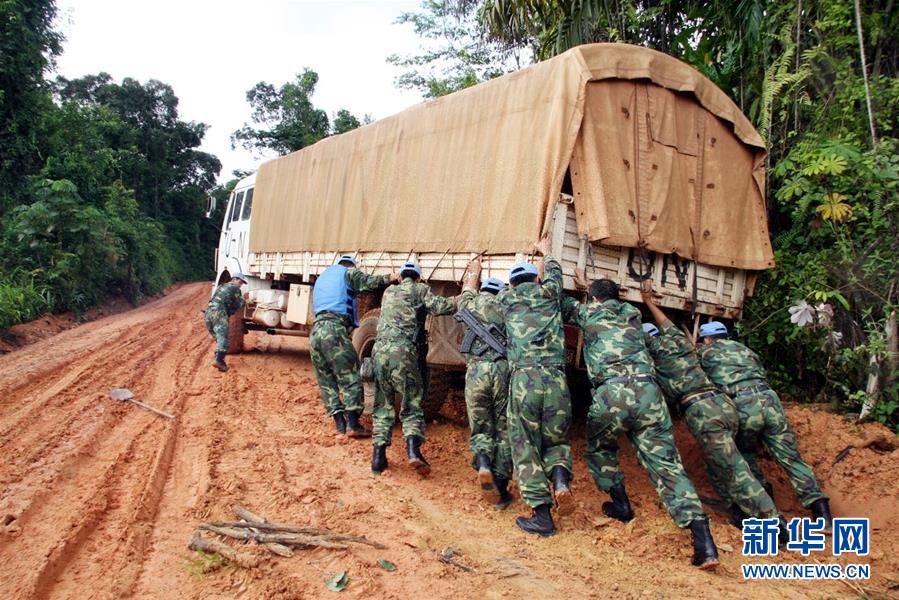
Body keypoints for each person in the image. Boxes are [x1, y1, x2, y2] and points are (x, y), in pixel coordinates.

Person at [561, 274, 719, 569]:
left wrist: (575, 285)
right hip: (649, 394)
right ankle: (704, 542)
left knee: (599, 447)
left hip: (613, 392)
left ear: (594, 299)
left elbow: (558, 300)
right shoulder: (633, 315)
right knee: (667, 466)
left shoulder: (588, 312)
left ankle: (620, 504)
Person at [640, 288, 783, 530]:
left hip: (703, 411)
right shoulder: (677, 339)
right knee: (716, 465)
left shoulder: (652, 355)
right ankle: (738, 513)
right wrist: (649, 302)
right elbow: (664, 321)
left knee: (734, 469)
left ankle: (775, 522)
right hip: (724, 405)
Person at [697, 321, 833, 529]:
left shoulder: (705, 353)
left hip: (742, 403)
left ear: (706, 339)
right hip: (770, 400)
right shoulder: (746, 350)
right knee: (790, 457)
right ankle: (821, 511)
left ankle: (765, 507)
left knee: (744, 455)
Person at [497, 237, 573, 537]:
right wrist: (546, 253)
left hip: (525, 381)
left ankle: (542, 515)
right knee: (556, 440)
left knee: (525, 443)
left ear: (512, 284)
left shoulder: (506, 300)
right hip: (556, 380)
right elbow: (556, 274)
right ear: (537, 278)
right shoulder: (550, 293)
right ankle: (561, 482)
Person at [370, 260, 457, 476]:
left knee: (383, 403)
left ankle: (378, 458)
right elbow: (441, 307)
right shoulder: (420, 289)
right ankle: (413, 452)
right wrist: (464, 298)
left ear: (400, 277)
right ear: (418, 278)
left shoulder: (389, 291)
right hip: (403, 352)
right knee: (412, 402)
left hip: (379, 351)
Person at [310, 255, 397, 437]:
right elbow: (367, 282)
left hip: (316, 332)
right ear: (351, 266)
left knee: (326, 380)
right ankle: (352, 424)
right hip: (333, 330)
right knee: (350, 376)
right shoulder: (347, 273)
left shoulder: (323, 277)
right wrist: (391, 277)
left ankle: (340, 423)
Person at [457, 264, 513, 509]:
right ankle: (500, 488)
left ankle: (482, 463)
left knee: (480, 424)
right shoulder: (509, 307)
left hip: (476, 372)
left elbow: (467, 289)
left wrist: (473, 270)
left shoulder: (470, 303)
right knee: (503, 429)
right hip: (502, 371)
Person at [204, 273, 248, 371]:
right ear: (234, 279)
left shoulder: (221, 286)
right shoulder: (235, 288)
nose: (240, 285)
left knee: (219, 338)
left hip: (208, 314)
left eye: (242, 283)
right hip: (219, 313)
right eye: (240, 282)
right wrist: (246, 300)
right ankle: (218, 360)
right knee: (224, 339)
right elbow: (239, 304)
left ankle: (220, 361)